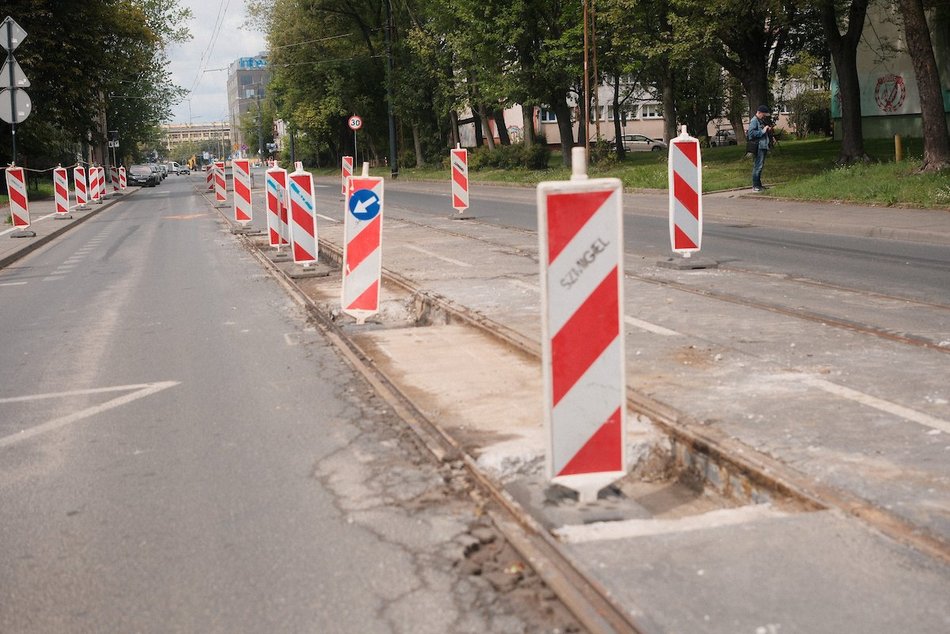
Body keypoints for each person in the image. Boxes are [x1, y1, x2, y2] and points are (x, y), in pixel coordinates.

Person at [748, 105, 773, 192]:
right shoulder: (754, 121)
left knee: (760, 166)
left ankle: (759, 185)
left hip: (763, 146)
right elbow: (751, 134)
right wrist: (763, 131)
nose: (764, 116)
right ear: (759, 113)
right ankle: (755, 186)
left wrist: (767, 129)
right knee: (757, 166)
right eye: (764, 114)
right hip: (758, 146)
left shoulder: (760, 120)